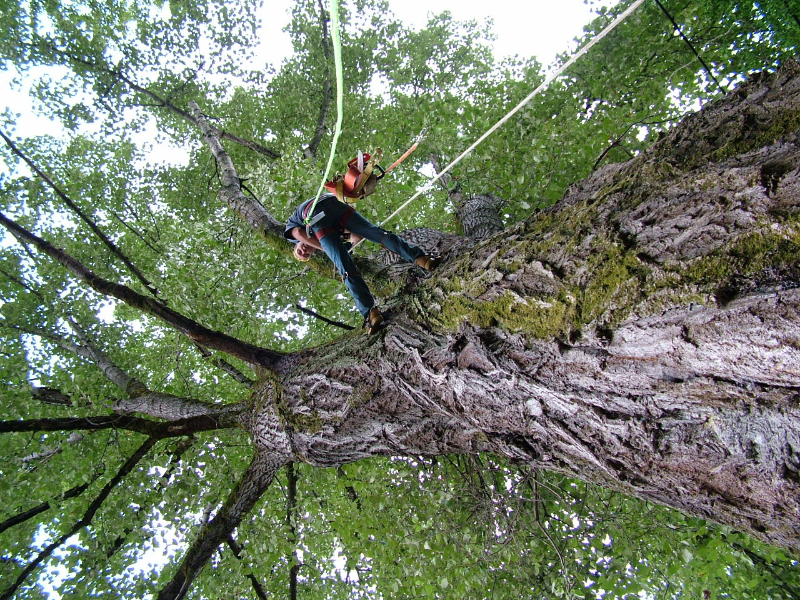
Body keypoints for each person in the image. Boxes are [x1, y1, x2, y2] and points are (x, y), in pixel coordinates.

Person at [285, 193, 440, 333]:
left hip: (315, 211)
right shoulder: (329, 236)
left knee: (344, 266)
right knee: (378, 234)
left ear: (296, 245)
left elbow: (299, 233)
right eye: (306, 254)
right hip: (335, 206)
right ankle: (422, 258)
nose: (304, 250)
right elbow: (357, 236)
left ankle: (370, 313)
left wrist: (328, 249)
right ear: (312, 253)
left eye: (299, 251)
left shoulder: (292, 229)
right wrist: (346, 246)